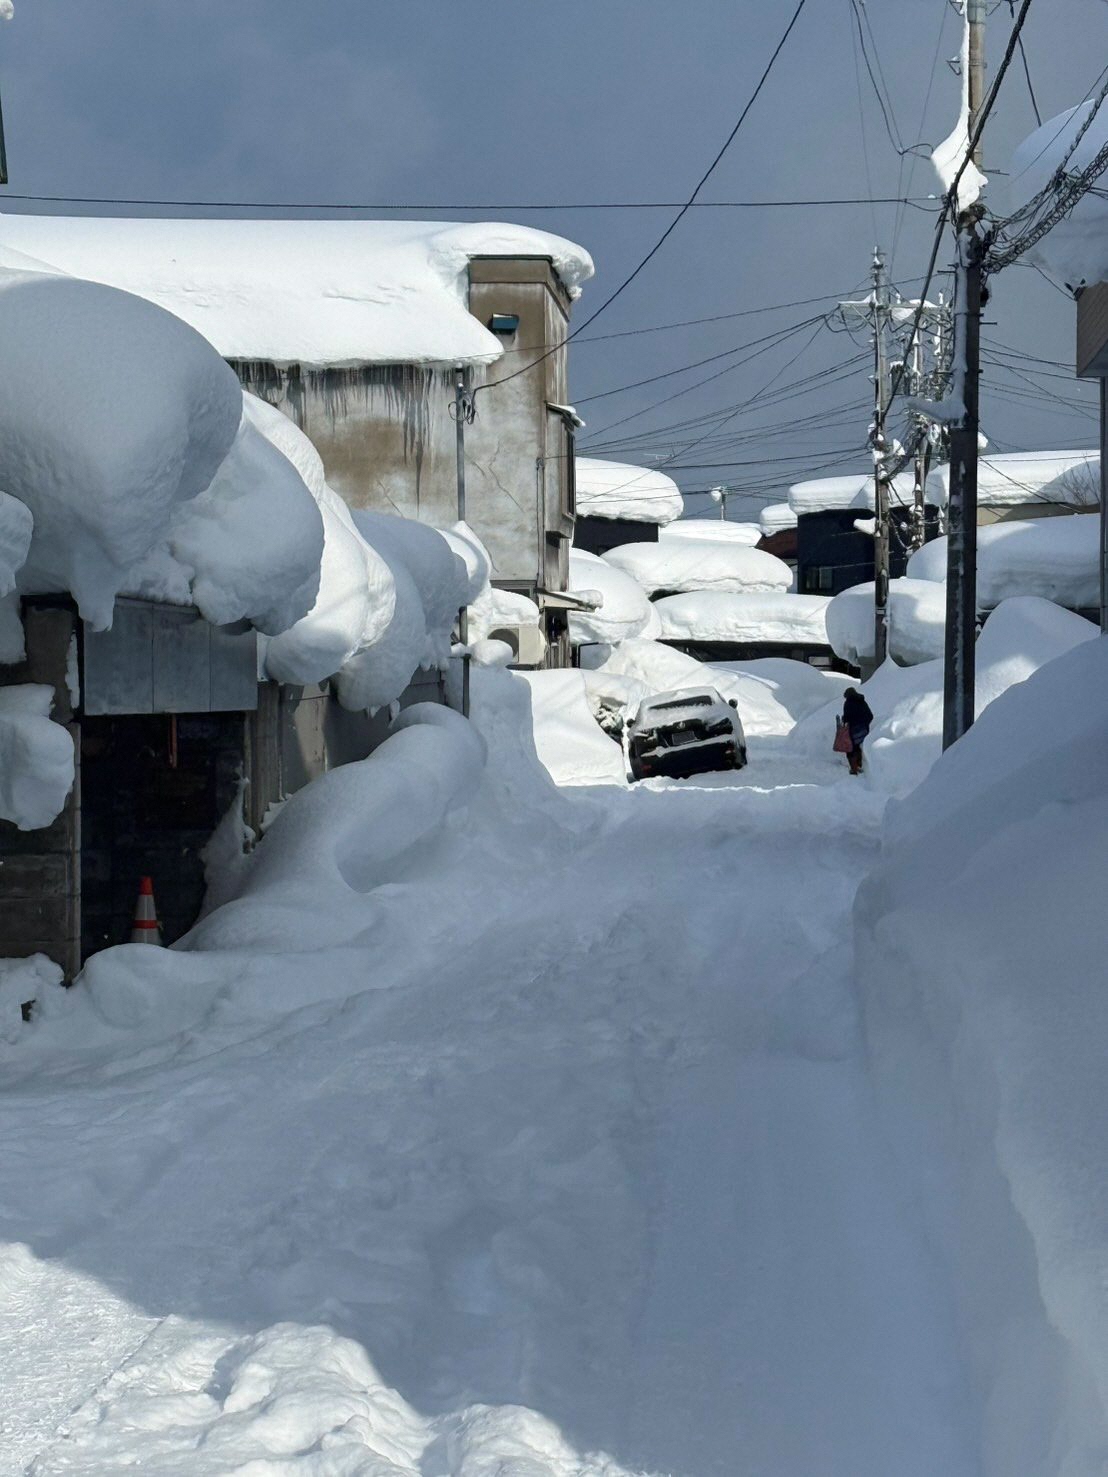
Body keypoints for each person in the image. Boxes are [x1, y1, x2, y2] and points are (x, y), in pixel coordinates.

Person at [841, 687, 873, 775]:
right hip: (864, 729)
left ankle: (854, 768)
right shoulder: (862, 701)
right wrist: (865, 724)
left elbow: (847, 718)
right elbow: (870, 715)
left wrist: (845, 720)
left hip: (854, 729)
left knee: (850, 748)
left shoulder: (848, 703)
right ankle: (859, 765)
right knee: (858, 746)